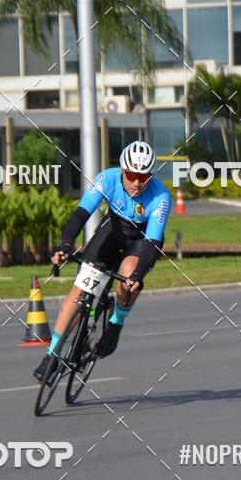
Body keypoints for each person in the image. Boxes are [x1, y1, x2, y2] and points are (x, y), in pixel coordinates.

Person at [33, 140, 171, 381]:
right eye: (131, 175)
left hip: (141, 240)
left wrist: (137, 277)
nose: (137, 182)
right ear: (121, 171)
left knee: (128, 277)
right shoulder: (106, 179)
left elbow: (152, 242)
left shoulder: (160, 196)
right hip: (112, 231)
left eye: (144, 176)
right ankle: (51, 355)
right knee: (79, 291)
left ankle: (116, 323)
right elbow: (82, 213)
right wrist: (66, 244)